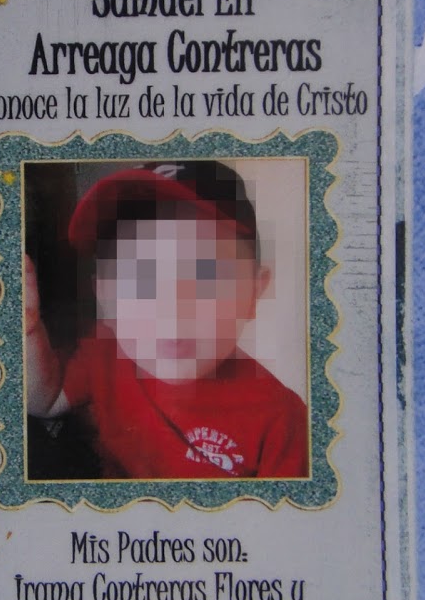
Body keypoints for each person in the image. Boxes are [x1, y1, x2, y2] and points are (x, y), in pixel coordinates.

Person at [24, 161, 309, 480]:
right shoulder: (104, 352)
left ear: (254, 294)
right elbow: (45, 402)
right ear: (104, 295)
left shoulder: (282, 420)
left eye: (206, 274)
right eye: (140, 278)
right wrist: (28, 329)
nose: (171, 305)